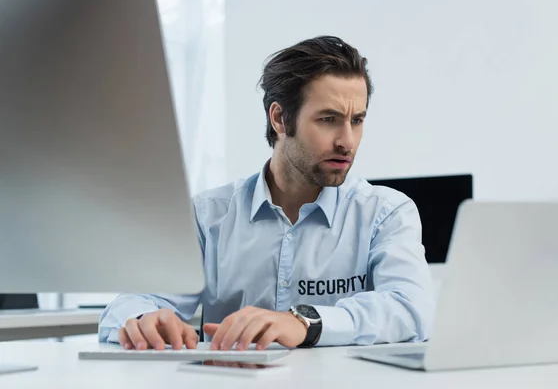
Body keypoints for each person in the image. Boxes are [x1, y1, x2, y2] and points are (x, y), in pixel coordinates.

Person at [98, 35, 434, 351]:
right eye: (328, 119)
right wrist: (144, 321)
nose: (347, 140)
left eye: (357, 120)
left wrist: (305, 323)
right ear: (279, 119)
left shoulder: (385, 213)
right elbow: (128, 305)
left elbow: (411, 308)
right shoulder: (208, 215)